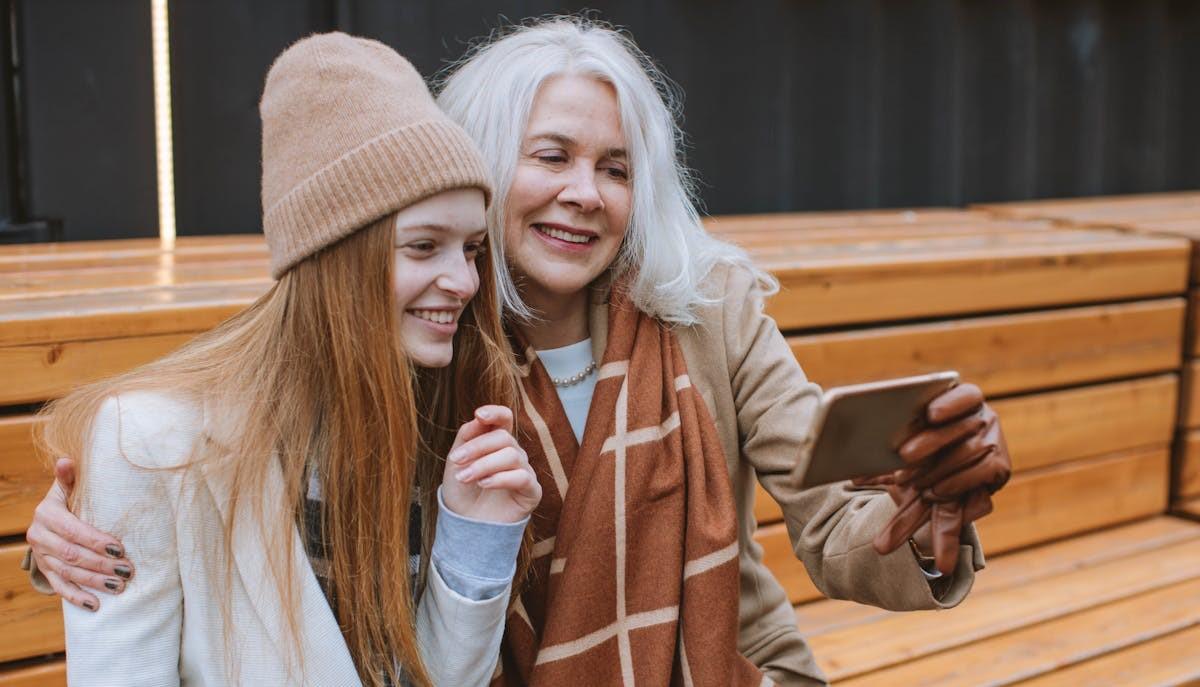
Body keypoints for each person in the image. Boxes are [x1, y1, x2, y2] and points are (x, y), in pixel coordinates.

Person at [26, 18, 1010, 686]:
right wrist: (79, 528)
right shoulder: (422, 337)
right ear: (481, 167)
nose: (586, 191)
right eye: (552, 156)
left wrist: (922, 533)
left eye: (615, 169)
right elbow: (248, 432)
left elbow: (836, 515)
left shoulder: (707, 309)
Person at [24, 33, 540, 687]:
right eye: (423, 246)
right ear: (332, 256)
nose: (464, 282)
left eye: (469, 249)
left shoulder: (440, 411)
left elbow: (436, 678)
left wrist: (475, 536)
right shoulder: (150, 439)